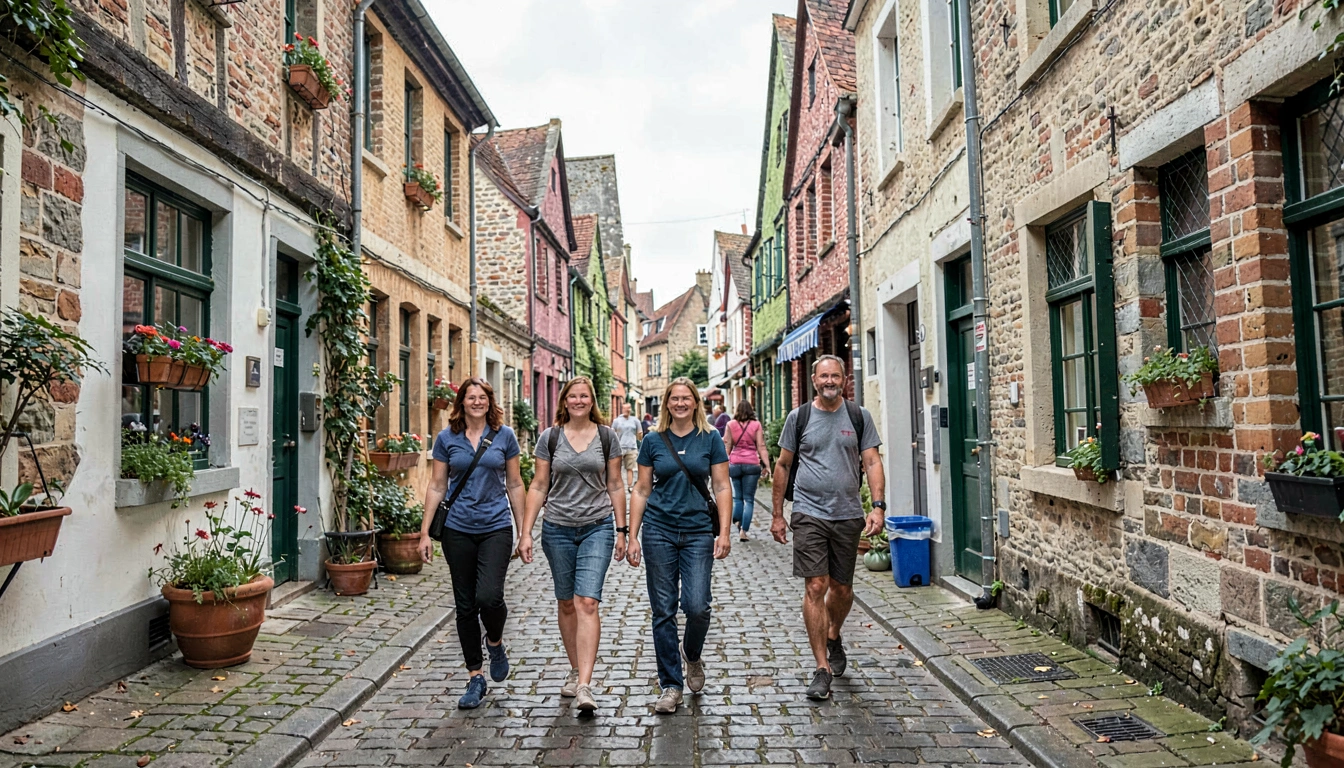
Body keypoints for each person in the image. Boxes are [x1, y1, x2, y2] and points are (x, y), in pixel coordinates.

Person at [770, 355, 885, 701]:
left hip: (848, 513)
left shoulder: (859, 417)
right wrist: (778, 514)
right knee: (815, 585)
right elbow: (783, 465)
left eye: (835, 375)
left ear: (845, 379)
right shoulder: (799, 418)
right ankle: (821, 667)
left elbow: (872, 461)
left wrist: (877, 506)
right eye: (824, 376)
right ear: (815, 381)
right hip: (808, 513)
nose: (830, 381)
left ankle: (833, 633)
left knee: (842, 588)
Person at [518, 377, 627, 714]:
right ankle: (574, 667)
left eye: (585, 396)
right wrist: (526, 532)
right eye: (573, 396)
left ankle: (584, 684)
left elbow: (615, 484)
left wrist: (622, 530)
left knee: (587, 602)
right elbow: (537, 485)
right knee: (566, 603)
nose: (579, 401)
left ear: (592, 401)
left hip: (597, 527)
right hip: (557, 529)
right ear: (564, 401)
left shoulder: (607, 437)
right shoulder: (549, 439)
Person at [418, 377, 526, 710]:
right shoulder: (446, 439)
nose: (476, 401)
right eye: (470, 397)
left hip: (495, 526)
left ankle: (495, 642)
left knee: (489, 596)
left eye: (482, 397)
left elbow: (515, 483)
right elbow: (437, 485)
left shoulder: (505, 436)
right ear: (461, 402)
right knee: (465, 605)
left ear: (489, 402)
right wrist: (424, 533)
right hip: (457, 529)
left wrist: (524, 533)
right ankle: (475, 676)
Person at [627, 377, 732, 714]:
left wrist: (725, 532)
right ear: (666, 403)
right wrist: (631, 535)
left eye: (687, 398)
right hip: (658, 530)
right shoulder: (653, 441)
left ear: (696, 403)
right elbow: (641, 489)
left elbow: (722, 485)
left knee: (698, 605)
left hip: (699, 530)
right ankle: (670, 685)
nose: (681, 403)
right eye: (675, 398)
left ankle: (693, 653)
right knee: (663, 610)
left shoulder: (711, 438)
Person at [725, 400, 771, 542]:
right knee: (749, 499)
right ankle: (743, 531)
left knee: (737, 498)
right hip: (752, 464)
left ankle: (737, 521)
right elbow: (761, 446)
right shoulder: (756, 425)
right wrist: (767, 465)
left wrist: (725, 464)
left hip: (735, 463)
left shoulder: (731, 425)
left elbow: (727, 446)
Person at [611, 402, 644, 492]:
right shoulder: (617, 421)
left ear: (630, 409)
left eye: (628, 408)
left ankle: (629, 486)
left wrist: (639, 438)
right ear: (622, 409)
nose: (627, 410)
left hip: (632, 447)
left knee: (630, 468)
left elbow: (640, 433)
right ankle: (618, 486)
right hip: (619, 447)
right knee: (617, 468)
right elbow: (612, 433)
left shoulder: (635, 420)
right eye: (625, 408)